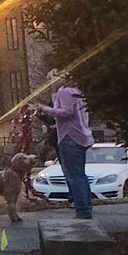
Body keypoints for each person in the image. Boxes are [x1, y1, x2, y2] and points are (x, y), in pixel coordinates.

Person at [33, 80, 94, 219]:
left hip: (69, 137)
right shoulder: (77, 91)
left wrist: (44, 109)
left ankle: (83, 211)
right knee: (80, 175)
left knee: (73, 176)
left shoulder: (64, 91)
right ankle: (86, 208)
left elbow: (66, 112)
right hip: (81, 136)